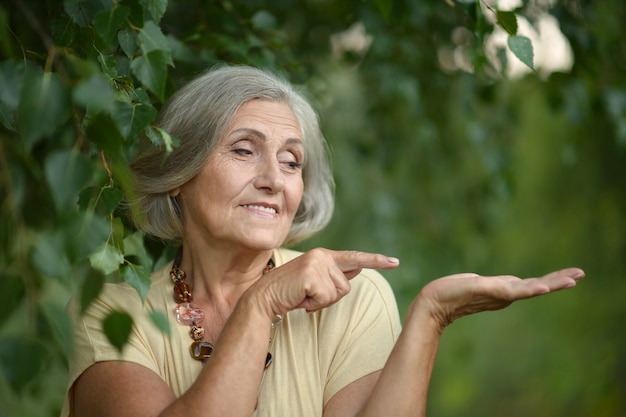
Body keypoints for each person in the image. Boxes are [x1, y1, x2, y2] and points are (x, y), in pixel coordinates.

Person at [61, 65, 585, 417]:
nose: (274, 178)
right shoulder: (113, 314)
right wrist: (261, 304)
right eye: (245, 150)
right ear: (180, 172)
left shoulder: (354, 296)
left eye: (292, 161)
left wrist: (430, 315)